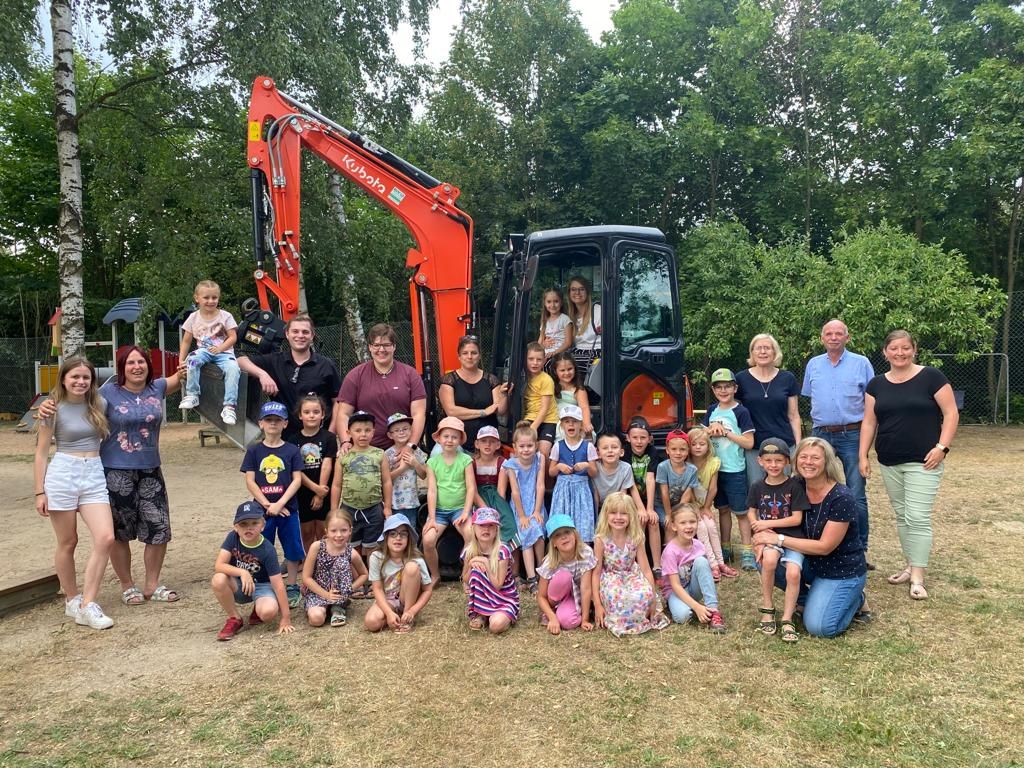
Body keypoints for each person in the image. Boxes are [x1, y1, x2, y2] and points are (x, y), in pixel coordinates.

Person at [38, 346, 186, 606]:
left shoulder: (158, 388)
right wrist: (47, 404)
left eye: (141, 362)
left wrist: (199, 354)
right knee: (119, 532)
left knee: (158, 527)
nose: (136, 366)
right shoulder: (106, 393)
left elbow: (182, 375)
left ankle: (152, 584)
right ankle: (127, 585)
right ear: (121, 367)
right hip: (114, 471)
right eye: (130, 362)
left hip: (151, 469)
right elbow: (73, 399)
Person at [859, 330, 959, 600]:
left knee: (917, 517)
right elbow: (869, 422)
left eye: (905, 348)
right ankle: (910, 565)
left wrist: (942, 447)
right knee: (903, 517)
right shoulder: (876, 385)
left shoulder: (932, 377)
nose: (900, 353)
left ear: (914, 350)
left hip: (924, 461)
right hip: (890, 460)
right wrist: (862, 455)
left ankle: (918, 577)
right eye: (894, 348)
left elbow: (951, 413)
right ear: (885, 352)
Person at [752, 438, 870, 638]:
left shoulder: (841, 497)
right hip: (809, 562)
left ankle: (856, 598)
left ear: (827, 462)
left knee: (820, 628)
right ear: (795, 461)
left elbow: (825, 547)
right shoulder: (793, 485)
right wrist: (762, 538)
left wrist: (778, 539)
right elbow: (767, 512)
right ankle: (812, 598)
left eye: (815, 458)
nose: (808, 462)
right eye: (803, 457)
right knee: (766, 559)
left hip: (840, 569)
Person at [33, 356, 115, 629]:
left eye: (86, 378)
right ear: (64, 379)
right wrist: (39, 492)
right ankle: (71, 598)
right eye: (75, 377)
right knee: (68, 542)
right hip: (63, 473)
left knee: (105, 538)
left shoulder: (99, 403)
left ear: (92, 381)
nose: (80, 382)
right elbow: (42, 453)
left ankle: (88, 604)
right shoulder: (52, 408)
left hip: (92, 472)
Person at [802, 319, 874, 559]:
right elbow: (810, 397)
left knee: (856, 493)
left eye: (838, 333)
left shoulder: (861, 363)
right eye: (829, 334)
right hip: (821, 434)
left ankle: (860, 548)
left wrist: (865, 449)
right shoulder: (813, 365)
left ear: (847, 337)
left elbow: (872, 404)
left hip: (852, 434)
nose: (833, 337)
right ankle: (817, 542)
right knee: (815, 490)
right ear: (822, 338)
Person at [238, 313, 342, 439]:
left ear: (312, 335)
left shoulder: (326, 365)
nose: (300, 336)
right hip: (282, 439)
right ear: (287, 334)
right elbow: (240, 361)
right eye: (295, 331)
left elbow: (338, 402)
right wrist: (263, 375)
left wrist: (330, 433)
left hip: (318, 439)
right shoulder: (274, 361)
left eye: (305, 332)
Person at [241, 401, 304, 606]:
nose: (273, 424)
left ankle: (293, 585)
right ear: (260, 423)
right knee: (261, 547)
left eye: (277, 420)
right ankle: (264, 584)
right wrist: (267, 504)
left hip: (288, 509)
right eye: (268, 420)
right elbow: (250, 480)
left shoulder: (292, 450)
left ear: (285, 424)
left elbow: (297, 479)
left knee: (293, 548)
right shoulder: (254, 451)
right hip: (262, 511)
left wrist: (281, 503)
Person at [748, 438, 809, 643]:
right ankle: (768, 607)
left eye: (778, 460)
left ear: (787, 462)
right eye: (769, 460)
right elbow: (751, 511)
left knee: (793, 573)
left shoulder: (794, 486)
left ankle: (787, 617)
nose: (773, 465)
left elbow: (797, 518)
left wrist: (764, 524)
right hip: (769, 538)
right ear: (760, 461)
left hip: (792, 538)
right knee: (769, 561)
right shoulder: (757, 486)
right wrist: (755, 525)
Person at [333, 323, 426, 450]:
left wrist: (411, 445)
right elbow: (343, 414)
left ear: (394, 347)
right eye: (376, 345)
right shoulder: (355, 375)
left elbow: (418, 414)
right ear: (370, 347)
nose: (381, 350)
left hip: (402, 449)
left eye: (386, 345)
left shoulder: (410, 374)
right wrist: (345, 441)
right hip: (365, 450)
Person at [211, 500, 294, 641]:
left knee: (268, 613)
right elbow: (219, 565)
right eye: (243, 524)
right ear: (236, 527)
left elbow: (278, 584)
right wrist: (242, 572)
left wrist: (286, 618)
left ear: (262, 525)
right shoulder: (233, 537)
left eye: (254, 523)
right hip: (239, 584)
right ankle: (234, 618)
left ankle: (259, 606)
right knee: (218, 579)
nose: (248, 528)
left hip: (262, 586)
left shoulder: (268, 549)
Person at [592, 492, 667, 637]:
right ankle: (621, 620)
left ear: (631, 516)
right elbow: (596, 573)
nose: (618, 517)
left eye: (624, 514)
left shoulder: (636, 537)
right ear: (606, 515)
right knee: (618, 597)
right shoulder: (601, 540)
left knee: (643, 594)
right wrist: (597, 604)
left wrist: (652, 597)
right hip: (611, 577)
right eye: (613, 513)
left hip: (631, 574)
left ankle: (641, 616)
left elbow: (645, 569)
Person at [703, 368, 755, 570]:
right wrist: (710, 429)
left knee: (741, 512)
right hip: (716, 470)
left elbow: (749, 442)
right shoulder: (711, 410)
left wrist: (725, 433)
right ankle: (725, 548)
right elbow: (702, 433)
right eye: (718, 387)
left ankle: (747, 551)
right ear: (713, 389)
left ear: (735, 388)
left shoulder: (741, 411)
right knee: (722, 510)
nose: (723, 391)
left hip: (735, 469)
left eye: (727, 386)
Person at [734, 334, 801, 487]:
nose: (763, 352)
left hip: (784, 445)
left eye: (767, 348)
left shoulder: (788, 378)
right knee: (756, 490)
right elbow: (734, 413)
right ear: (752, 353)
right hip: (754, 447)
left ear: (774, 352)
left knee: (785, 490)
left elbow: (794, 415)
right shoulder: (740, 379)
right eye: (758, 348)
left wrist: (798, 446)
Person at [330, 410, 392, 572]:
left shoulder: (379, 454)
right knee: (351, 545)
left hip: (374, 507)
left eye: (367, 430)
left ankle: (372, 580)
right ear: (348, 433)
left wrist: (387, 507)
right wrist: (334, 510)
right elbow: (336, 484)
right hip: (349, 507)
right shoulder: (344, 456)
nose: (362, 434)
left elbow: (386, 481)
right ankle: (356, 579)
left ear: (373, 432)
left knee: (372, 547)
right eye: (358, 431)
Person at [178, 279, 241, 425]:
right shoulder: (193, 317)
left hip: (224, 353)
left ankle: (229, 406)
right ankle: (193, 394)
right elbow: (186, 341)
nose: (210, 301)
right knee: (192, 360)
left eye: (214, 297)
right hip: (203, 351)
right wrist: (181, 361)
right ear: (197, 298)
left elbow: (233, 337)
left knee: (233, 369)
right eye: (206, 297)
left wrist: (220, 348)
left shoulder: (225, 316)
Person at [423, 416, 475, 581]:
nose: (450, 440)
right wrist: (431, 518)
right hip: (439, 511)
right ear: (438, 438)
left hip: (460, 509)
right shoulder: (432, 462)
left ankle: (465, 574)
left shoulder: (466, 460)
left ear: (460, 440)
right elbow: (432, 490)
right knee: (428, 540)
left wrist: (466, 512)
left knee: (470, 535)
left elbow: (471, 488)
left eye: (454, 437)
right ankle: (435, 574)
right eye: (446, 436)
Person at [437, 335, 509, 451]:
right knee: (438, 453)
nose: (469, 357)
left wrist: (504, 395)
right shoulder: (448, 381)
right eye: (465, 353)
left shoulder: (492, 380)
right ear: (459, 357)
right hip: (456, 442)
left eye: (474, 353)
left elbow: (500, 410)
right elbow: (451, 411)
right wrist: (483, 412)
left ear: (479, 356)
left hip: (486, 442)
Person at [661, 504, 726, 632]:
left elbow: (703, 573)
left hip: (692, 588)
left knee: (702, 562)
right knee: (683, 617)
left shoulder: (699, 545)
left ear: (698, 522)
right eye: (683, 523)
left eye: (692, 522)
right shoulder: (670, 552)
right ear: (674, 526)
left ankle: (713, 611)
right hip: (676, 591)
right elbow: (675, 586)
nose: (689, 526)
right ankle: (679, 606)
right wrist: (697, 607)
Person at [364, 514, 433, 633]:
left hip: (407, 599)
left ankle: (407, 617)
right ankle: (394, 617)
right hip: (388, 599)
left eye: (403, 534)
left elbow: (427, 590)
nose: (398, 538)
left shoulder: (417, 559)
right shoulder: (376, 557)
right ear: (386, 537)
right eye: (393, 534)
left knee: (411, 567)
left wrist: (412, 611)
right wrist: (388, 613)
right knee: (372, 622)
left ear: (409, 538)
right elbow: (377, 588)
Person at [301, 508, 367, 628]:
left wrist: (349, 589)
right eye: (333, 531)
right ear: (326, 531)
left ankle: (338, 605)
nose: (338, 535)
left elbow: (364, 574)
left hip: (339, 594)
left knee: (341, 562)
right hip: (318, 592)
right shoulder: (316, 547)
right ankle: (324, 607)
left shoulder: (351, 552)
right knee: (317, 619)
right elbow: (306, 577)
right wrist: (326, 595)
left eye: (343, 530)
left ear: (350, 531)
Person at [288, 393, 337, 555]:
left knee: (323, 531)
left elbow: (327, 464)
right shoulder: (292, 440)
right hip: (302, 491)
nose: (311, 415)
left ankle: (325, 561)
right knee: (307, 531)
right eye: (307, 412)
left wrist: (321, 493)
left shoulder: (329, 437)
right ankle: (309, 560)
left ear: (323, 414)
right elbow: (296, 470)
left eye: (316, 412)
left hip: (325, 491)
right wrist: (315, 489)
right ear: (300, 415)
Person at [687, 427, 736, 579]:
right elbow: (688, 491)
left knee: (711, 526)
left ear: (708, 445)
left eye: (702, 444)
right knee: (701, 527)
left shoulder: (713, 462)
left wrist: (706, 507)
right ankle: (712, 564)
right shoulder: (686, 463)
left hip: (704, 504)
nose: (698, 447)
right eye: (694, 444)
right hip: (690, 504)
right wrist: (696, 509)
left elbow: (713, 488)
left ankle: (721, 563)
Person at [504, 421, 547, 592]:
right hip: (519, 506)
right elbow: (514, 492)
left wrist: (537, 510)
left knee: (538, 530)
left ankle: (541, 569)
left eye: (530, 445)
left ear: (536, 445)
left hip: (536, 503)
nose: (526, 449)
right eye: (522, 446)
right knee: (526, 533)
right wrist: (522, 516)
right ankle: (531, 578)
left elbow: (540, 485)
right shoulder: (511, 464)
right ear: (514, 447)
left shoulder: (540, 459)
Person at [462, 507, 519, 634]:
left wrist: (487, 565)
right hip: (482, 599)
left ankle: (502, 614)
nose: (486, 529)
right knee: (476, 571)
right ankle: (480, 612)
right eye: (482, 525)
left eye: (491, 526)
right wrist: (471, 565)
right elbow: (465, 578)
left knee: (496, 626)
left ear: (496, 530)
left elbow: (498, 585)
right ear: (474, 528)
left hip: (503, 598)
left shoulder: (502, 551)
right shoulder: (469, 551)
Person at [536, 514, 596, 634]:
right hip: (556, 597)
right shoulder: (550, 562)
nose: (564, 537)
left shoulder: (585, 553)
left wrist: (584, 620)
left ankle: (576, 611)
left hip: (576, 596)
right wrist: (552, 618)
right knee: (564, 576)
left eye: (567, 532)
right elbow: (541, 596)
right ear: (553, 543)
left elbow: (586, 588)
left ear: (575, 535)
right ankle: (552, 612)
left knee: (568, 622)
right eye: (558, 535)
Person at [547, 404, 598, 544]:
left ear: (580, 424)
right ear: (562, 425)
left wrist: (586, 465)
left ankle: (583, 552)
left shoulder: (588, 446)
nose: (571, 424)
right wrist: (558, 466)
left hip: (581, 489)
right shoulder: (558, 446)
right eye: (567, 421)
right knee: (562, 521)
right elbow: (551, 472)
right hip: (563, 490)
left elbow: (594, 473)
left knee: (582, 522)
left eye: (574, 421)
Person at [654, 429, 700, 577]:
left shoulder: (692, 469)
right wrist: (669, 514)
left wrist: (678, 514)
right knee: (669, 525)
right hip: (662, 505)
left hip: (680, 505)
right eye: (674, 449)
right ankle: (669, 560)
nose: (678, 453)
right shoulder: (663, 467)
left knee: (682, 523)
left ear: (688, 451)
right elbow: (664, 492)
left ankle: (684, 558)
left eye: (682, 449)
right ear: (667, 450)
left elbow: (687, 494)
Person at [472, 425, 519, 548]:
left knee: (509, 524)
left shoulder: (502, 462)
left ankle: (505, 553)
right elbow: (472, 490)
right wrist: (485, 508)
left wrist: (497, 509)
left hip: (496, 498)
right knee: (481, 524)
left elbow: (501, 491)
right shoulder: (472, 463)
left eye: (492, 442)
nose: (488, 445)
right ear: (477, 444)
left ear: (498, 445)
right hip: (478, 498)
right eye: (483, 441)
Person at [592, 432, 648, 528]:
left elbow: (622, 495)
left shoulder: (626, 468)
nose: (610, 451)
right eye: (605, 448)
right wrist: (596, 518)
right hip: (599, 506)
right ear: (598, 453)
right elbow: (595, 495)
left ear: (621, 452)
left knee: (637, 519)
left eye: (614, 447)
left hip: (618, 505)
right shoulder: (595, 468)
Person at [384, 412, 427, 525]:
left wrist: (415, 463)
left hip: (410, 501)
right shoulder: (387, 454)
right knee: (393, 530)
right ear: (390, 435)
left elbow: (423, 475)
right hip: (392, 502)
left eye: (405, 429)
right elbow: (384, 478)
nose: (402, 432)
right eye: (397, 430)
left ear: (411, 430)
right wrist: (402, 469)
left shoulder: (416, 451)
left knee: (410, 530)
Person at [524, 342, 558, 456]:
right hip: (530, 417)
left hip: (548, 420)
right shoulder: (523, 377)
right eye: (531, 359)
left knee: (543, 452)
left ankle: (545, 474)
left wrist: (533, 428)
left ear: (544, 361)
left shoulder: (546, 380)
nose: (535, 363)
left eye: (539, 360)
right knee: (524, 448)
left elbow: (545, 408)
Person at [551, 352, 593, 440]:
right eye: (562, 370)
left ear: (575, 368)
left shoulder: (578, 389)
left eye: (570, 369)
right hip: (556, 419)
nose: (567, 373)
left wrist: (586, 423)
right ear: (555, 371)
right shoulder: (551, 386)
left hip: (573, 420)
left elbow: (584, 408)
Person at [567, 275, 601, 377]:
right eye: (573, 289)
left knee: (569, 365)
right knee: (550, 362)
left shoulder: (598, 310)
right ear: (569, 293)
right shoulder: (569, 316)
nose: (577, 293)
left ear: (587, 292)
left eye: (581, 289)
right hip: (578, 352)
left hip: (596, 353)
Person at [538, 287, 574, 361]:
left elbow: (568, 343)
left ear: (561, 303)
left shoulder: (565, 319)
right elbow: (540, 342)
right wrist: (543, 345)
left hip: (560, 354)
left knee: (547, 363)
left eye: (556, 301)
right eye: (549, 302)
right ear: (544, 303)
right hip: (546, 353)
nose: (553, 305)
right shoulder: (544, 321)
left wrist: (554, 353)